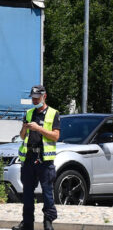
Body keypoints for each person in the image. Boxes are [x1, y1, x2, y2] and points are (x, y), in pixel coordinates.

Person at [13, 85, 60, 230]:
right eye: (33, 98)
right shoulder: (28, 113)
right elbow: (22, 136)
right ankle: (27, 224)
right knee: (27, 193)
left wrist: (39, 128)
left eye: (37, 98)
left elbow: (56, 136)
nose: (34, 101)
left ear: (44, 97)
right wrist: (25, 128)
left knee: (47, 192)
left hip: (44, 159)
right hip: (29, 158)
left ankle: (48, 222)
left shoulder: (53, 113)